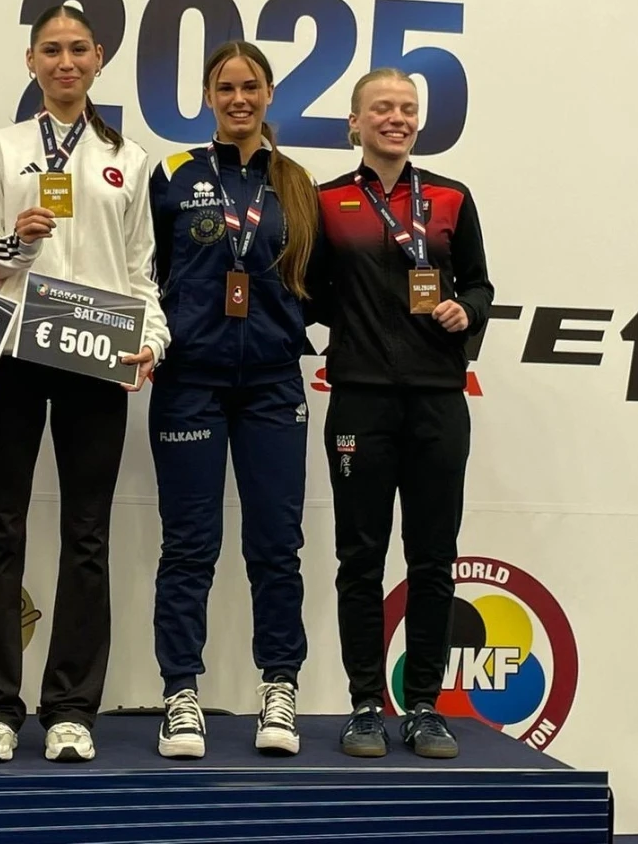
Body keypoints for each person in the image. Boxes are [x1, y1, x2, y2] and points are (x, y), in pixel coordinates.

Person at [0, 4, 170, 764]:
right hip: (14, 350)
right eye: (50, 50)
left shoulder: (130, 158)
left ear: (99, 57)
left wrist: (151, 338)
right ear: (31, 61)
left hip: (95, 351)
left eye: (78, 49)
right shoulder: (1, 147)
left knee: (87, 533)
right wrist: (18, 242)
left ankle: (72, 708)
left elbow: (142, 270)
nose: (65, 62)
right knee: (1, 527)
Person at [310, 67, 493, 759]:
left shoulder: (450, 197)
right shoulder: (325, 202)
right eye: (382, 107)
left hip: (438, 400)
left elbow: (480, 285)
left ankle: (423, 706)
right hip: (359, 397)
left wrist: (465, 310)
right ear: (354, 123)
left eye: (407, 108)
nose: (397, 118)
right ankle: (364, 705)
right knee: (360, 558)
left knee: (433, 559)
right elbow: (309, 291)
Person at [146, 41, 321, 759]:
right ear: (207, 97)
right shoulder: (174, 173)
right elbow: (144, 272)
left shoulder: (297, 183)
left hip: (273, 384)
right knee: (190, 545)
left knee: (276, 545)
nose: (239, 99)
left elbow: (320, 285)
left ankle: (279, 686)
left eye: (251, 86)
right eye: (225, 88)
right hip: (190, 380)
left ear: (270, 93)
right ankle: (180, 693)